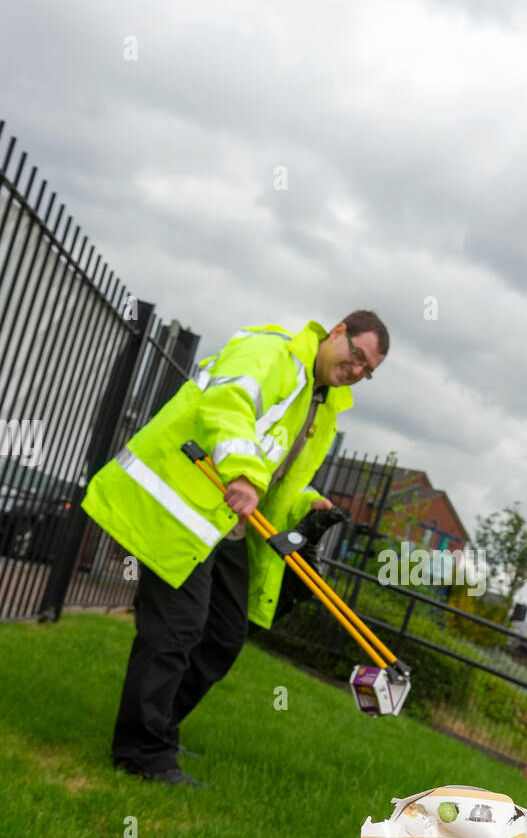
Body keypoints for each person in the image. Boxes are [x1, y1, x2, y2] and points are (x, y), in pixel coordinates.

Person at [82, 310, 389, 785]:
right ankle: (142, 752)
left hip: (227, 518)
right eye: (356, 358)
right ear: (338, 332)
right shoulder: (274, 351)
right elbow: (227, 404)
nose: (356, 372)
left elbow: (278, 472)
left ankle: (160, 727)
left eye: (367, 372)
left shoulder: (322, 403)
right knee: (176, 630)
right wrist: (243, 471)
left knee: (223, 634)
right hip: (185, 501)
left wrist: (309, 501)